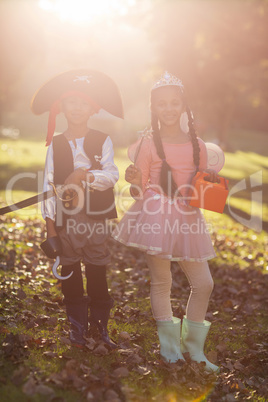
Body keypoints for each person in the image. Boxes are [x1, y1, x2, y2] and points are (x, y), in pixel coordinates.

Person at [112, 72, 219, 371]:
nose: (169, 109)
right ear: (154, 108)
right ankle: (170, 348)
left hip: (187, 218)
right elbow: (138, 191)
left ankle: (194, 351)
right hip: (156, 213)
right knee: (162, 282)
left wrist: (210, 187)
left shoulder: (196, 144)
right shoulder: (149, 143)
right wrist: (133, 181)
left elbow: (201, 186)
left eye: (174, 103)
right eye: (162, 104)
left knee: (204, 283)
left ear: (183, 105)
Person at [31, 69, 124, 348]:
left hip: (95, 217)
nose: (77, 108)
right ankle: (76, 327)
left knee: (97, 269)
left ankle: (99, 327)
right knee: (69, 269)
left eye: (84, 103)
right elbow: (48, 186)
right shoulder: (55, 144)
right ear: (61, 107)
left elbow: (112, 174)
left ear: (92, 108)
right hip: (65, 218)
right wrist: (50, 228)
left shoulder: (102, 139)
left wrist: (85, 175)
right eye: (71, 102)